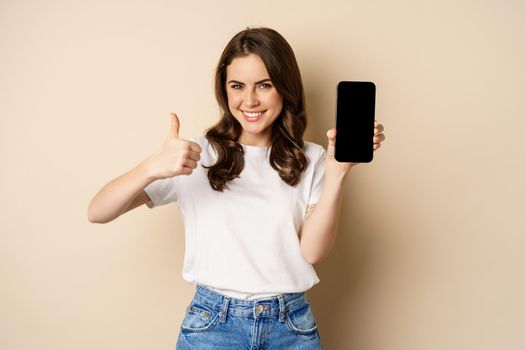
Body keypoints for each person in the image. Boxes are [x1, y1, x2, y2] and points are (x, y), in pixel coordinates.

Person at [88, 27, 385, 349]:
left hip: (291, 326)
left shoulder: (313, 158)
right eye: (237, 86)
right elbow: (98, 212)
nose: (250, 100)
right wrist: (150, 168)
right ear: (225, 90)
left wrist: (338, 172)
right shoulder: (195, 155)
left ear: (286, 89)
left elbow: (312, 252)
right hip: (213, 326)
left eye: (265, 85)